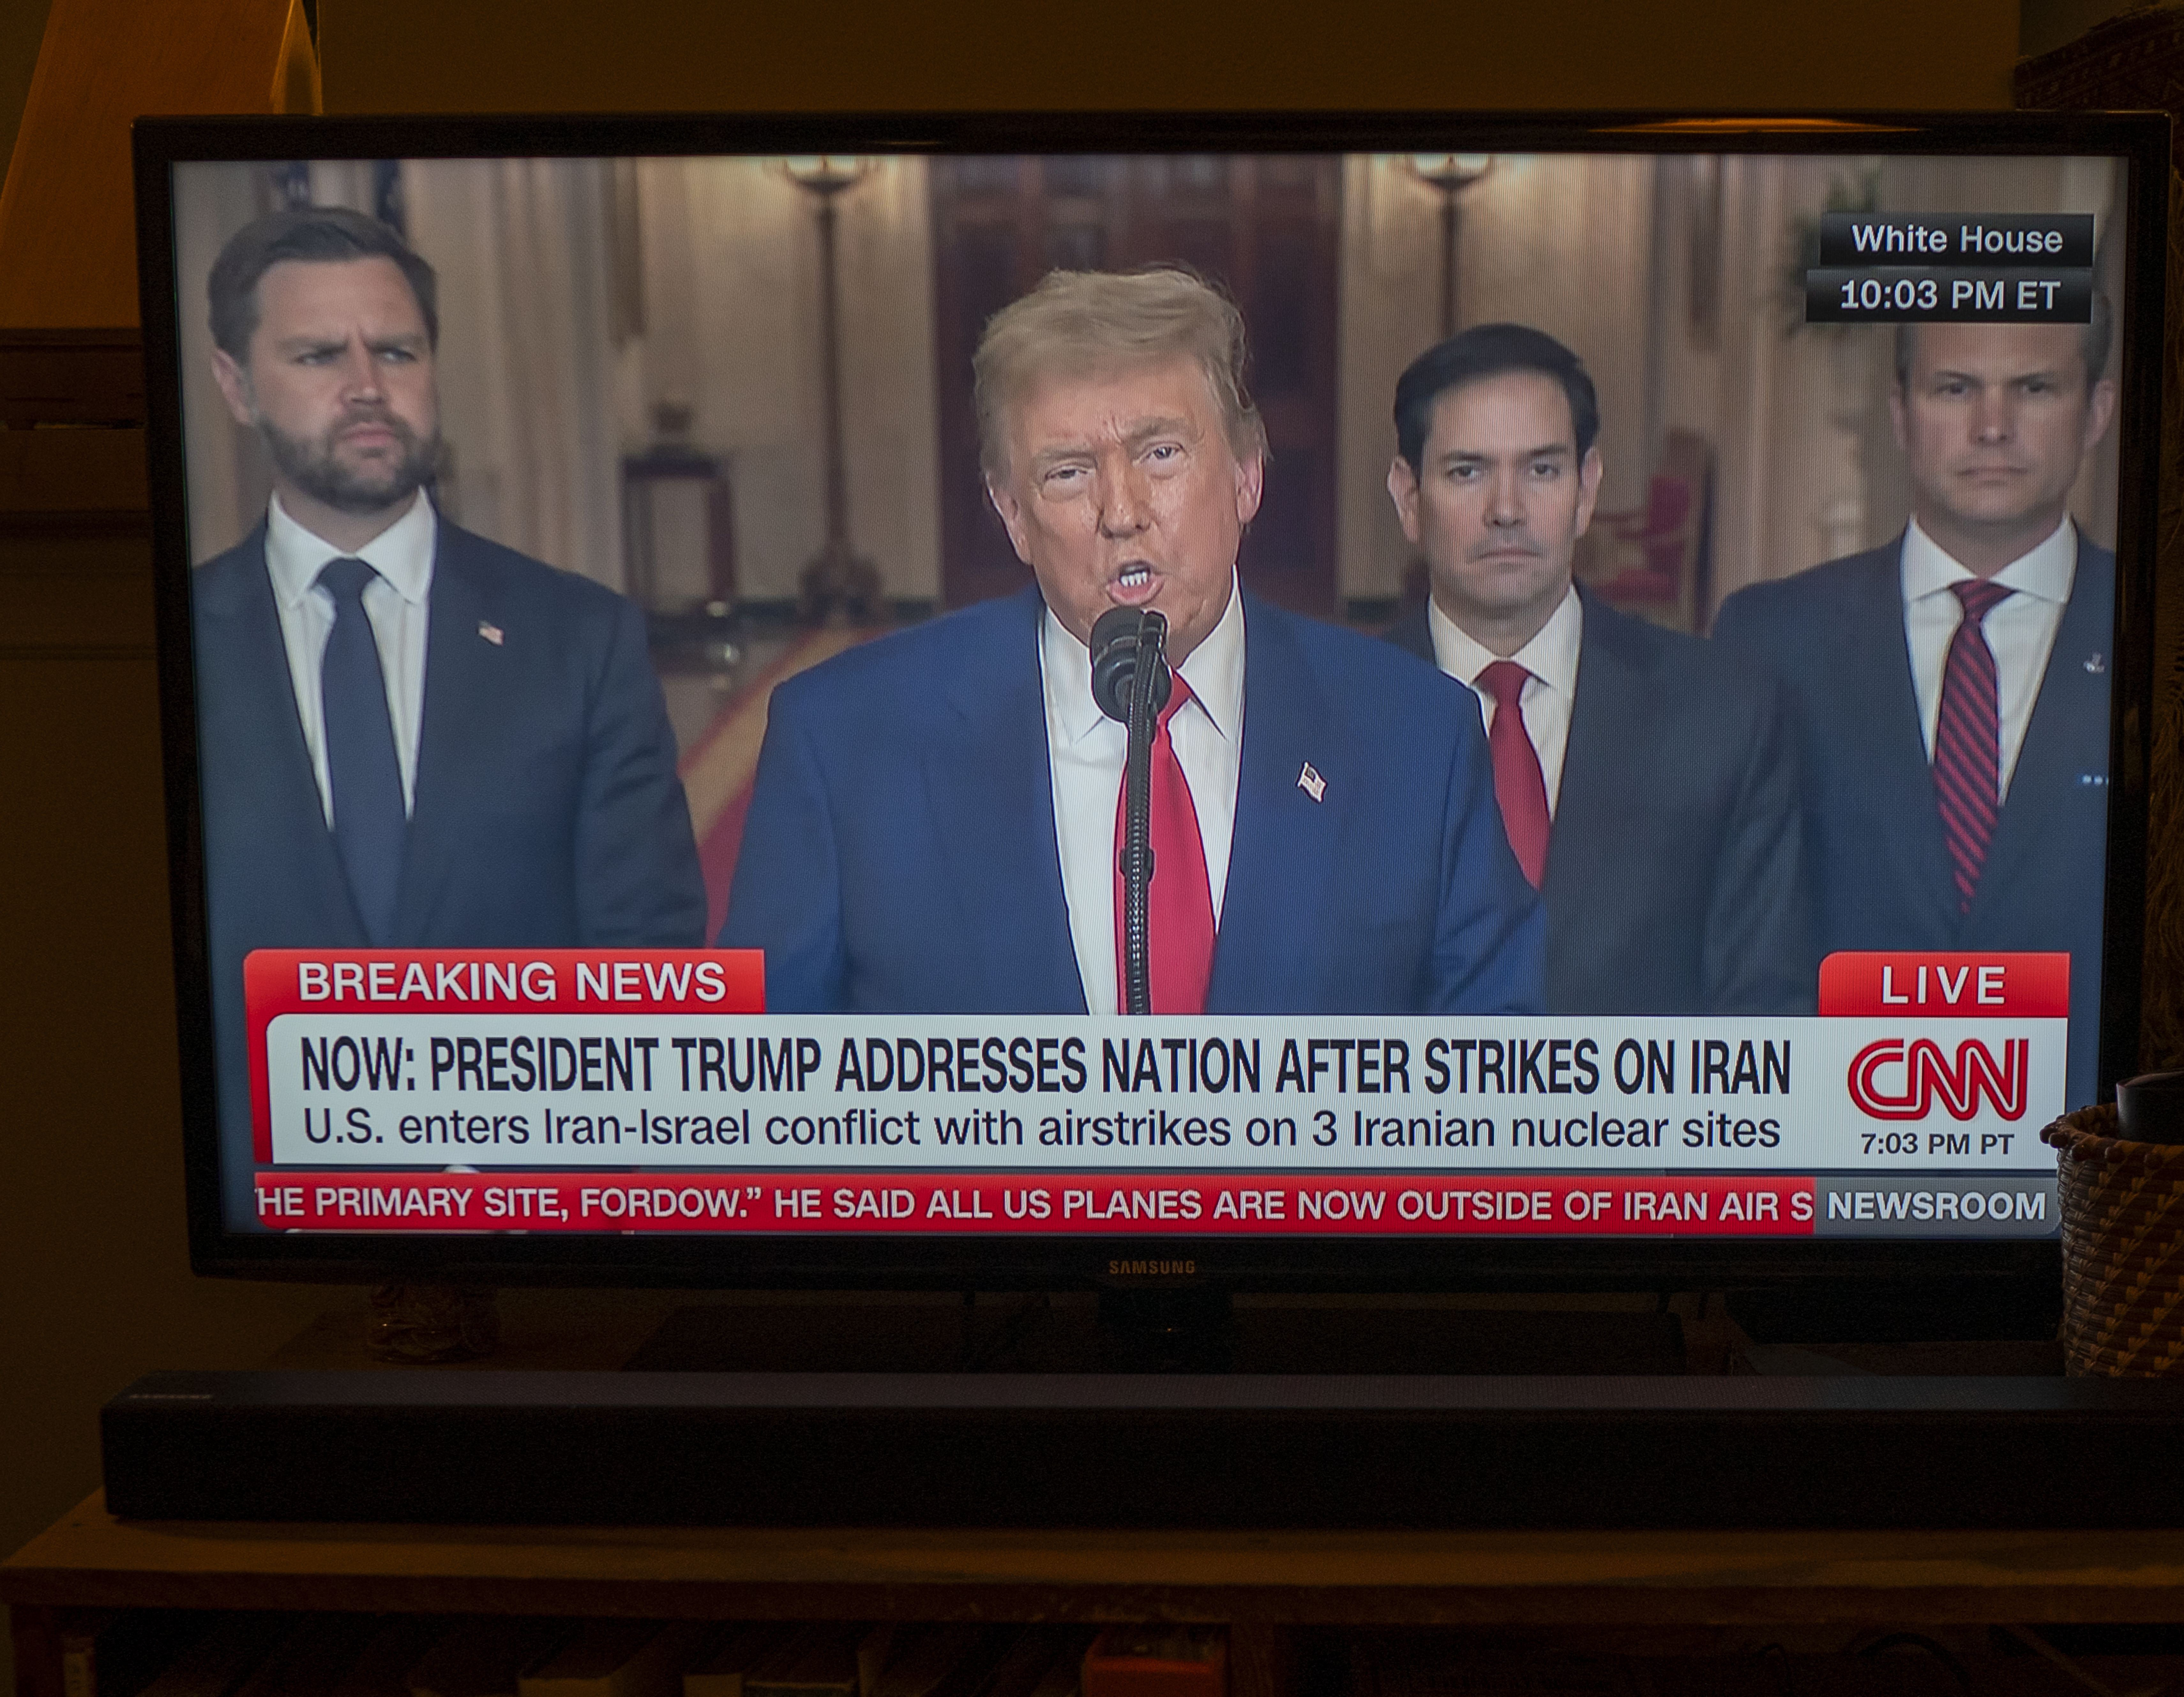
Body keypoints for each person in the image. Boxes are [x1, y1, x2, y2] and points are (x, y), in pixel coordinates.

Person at [720, 267, 1541, 1014]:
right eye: (1068, 472)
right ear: (1012, 513)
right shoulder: (844, 743)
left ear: (1247, 475)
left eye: (1161, 454)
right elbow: (751, 1084)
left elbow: (1501, 1082)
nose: (1122, 512)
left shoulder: (1417, 736)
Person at [195, 206, 705, 1218]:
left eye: (397, 350)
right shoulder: (177, 646)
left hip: (532, 1221)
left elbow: (647, 961)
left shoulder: (581, 637)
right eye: (317, 355)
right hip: (249, 1227)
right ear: (236, 385)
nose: (367, 386)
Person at [1711, 311, 2119, 1109]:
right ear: (1900, 413)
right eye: (1955, 389)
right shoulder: (1768, 639)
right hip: (1827, 1145)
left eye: (2034, 388)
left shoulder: (2182, 638)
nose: (1992, 427)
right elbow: (1728, 947)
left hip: (2096, 1165)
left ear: (2097, 411)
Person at [1382, 324, 1811, 1014]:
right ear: (1410, 499)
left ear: (1586, 491)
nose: (1506, 511)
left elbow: (1763, 1013)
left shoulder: (1725, 717)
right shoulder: (1332, 719)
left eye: (1542, 471)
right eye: (1468, 472)